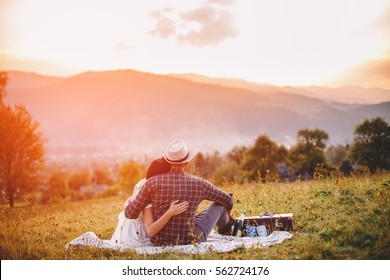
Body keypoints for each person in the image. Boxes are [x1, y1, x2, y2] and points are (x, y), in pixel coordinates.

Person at [125, 140, 235, 246]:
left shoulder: (151, 183)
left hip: (159, 241)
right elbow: (227, 200)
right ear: (186, 162)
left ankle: (227, 226)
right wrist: (228, 213)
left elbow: (130, 213)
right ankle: (226, 229)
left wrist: (132, 199)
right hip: (190, 239)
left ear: (168, 161)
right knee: (220, 204)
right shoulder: (199, 184)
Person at [110, 158, 188, 247]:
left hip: (127, 227)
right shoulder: (149, 194)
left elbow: (131, 201)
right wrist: (170, 212)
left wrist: (126, 202)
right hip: (138, 235)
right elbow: (150, 230)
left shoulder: (143, 182)